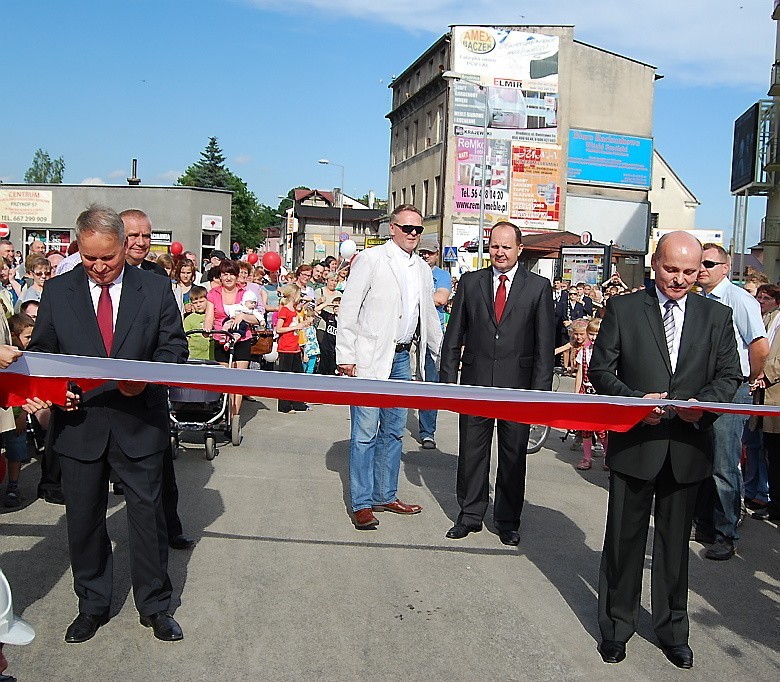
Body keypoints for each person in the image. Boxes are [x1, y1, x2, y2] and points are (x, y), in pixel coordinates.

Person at [27, 204, 189, 644]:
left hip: (139, 423)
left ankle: (155, 606)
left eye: (108, 258)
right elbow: (42, 354)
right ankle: (92, 605)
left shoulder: (154, 289)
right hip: (80, 426)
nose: (98, 267)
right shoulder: (59, 292)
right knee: (84, 522)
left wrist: (148, 380)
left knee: (148, 519)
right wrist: (57, 389)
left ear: (124, 244)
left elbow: (174, 348)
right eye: (89, 258)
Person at [589, 231, 741, 669]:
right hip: (637, 444)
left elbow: (729, 376)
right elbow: (602, 369)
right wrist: (635, 404)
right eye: (671, 269)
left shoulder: (717, 316)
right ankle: (617, 627)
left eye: (690, 272)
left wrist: (702, 410)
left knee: (675, 548)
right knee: (623, 541)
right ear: (655, 263)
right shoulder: (623, 308)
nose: (679, 280)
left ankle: (673, 629)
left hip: (688, 446)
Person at [440, 221, 554, 546]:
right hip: (476, 384)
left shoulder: (538, 287)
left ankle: (507, 520)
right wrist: (448, 381)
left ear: (519, 248)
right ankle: (470, 514)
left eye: (506, 246)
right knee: (472, 454)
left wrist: (540, 396)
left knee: (512, 457)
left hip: (517, 389)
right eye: (494, 246)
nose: (499, 252)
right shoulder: (471, 282)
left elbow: (544, 347)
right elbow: (454, 334)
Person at [336, 204, 442, 529]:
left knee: (394, 431)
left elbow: (430, 318)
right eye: (407, 227)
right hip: (370, 357)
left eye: (418, 229)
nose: (412, 234)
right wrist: (345, 356)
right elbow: (349, 308)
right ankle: (362, 502)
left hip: (401, 358)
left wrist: (442, 355)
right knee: (365, 432)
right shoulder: (371, 259)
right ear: (392, 228)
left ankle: (386, 494)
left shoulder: (423, 270)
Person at [692, 243, 769, 560]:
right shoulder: (702, 301)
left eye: (709, 263)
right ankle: (706, 525)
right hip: (706, 387)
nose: (702, 268)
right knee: (704, 458)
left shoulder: (739, 300)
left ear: (725, 268)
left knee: (725, 463)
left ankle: (727, 534)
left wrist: (749, 379)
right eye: (700, 262)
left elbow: (759, 346)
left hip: (731, 387)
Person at [205, 259, 255, 418]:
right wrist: (207, 329)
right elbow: (209, 316)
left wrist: (243, 316)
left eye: (231, 274)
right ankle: (223, 411)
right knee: (225, 379)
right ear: (220, 276)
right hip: (221, 338)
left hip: (242, 339)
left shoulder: (244, 293)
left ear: (236, 276)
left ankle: (234, 416)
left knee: (238, 380)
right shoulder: (213, 293)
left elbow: (256, 318)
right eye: (224, 274)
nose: (228, 278)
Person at [417, 238, 452, 450]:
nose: (425, 256)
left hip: (431, 335)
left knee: (430, 385)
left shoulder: (442, 275)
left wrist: (417, 296)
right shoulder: (412, 270)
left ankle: (427, 431)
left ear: (437, 254)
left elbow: (440, 299)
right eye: (423, 252)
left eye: (429, 253)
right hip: (407, 333)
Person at [573, 318, 607, 471]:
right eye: (591, 334)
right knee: (586, 428)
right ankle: (587, 457)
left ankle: (608, 456)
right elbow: (580, 373)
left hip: (600, 394)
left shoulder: (607, 353)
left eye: (597, 334)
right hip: (586, 392)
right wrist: (576, 393)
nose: (594, 337)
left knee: (602, 429)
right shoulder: (584, 352)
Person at [275, 284, 308, 413]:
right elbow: (279, 328)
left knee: (297, 376)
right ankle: (284, 405)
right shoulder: (284, 310)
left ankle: (297, 402)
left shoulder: (294, 310)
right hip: (286, 348)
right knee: (286, 378)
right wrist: (295, 327)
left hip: (294, 347)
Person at [182, 286, 213, 361]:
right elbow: (185, 338)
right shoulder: (189, 319)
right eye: (195, 303)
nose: (198, 305)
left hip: (211, 357)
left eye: (201, 301)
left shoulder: (212, 316)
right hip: (194, 357)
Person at [318, 296, 340, 376]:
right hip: (325, 348)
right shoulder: (329, 316)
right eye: (334, 307)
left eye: (338, 306)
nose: (336, 308)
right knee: (322, 371)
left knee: (333, 372)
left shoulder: (344, 320)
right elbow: (317, 310)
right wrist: (327, 304)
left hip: (336, 351)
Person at [299, 307, 320, 373]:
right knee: (304, 368)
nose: (311, 319)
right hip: (306, 351)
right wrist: (305, 354)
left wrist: (318, 353)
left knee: (311, 369)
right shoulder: (302, 329)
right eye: (309, 317)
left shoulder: (313, 327)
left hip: (314, 351)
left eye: (312, 317)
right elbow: (303, 342)